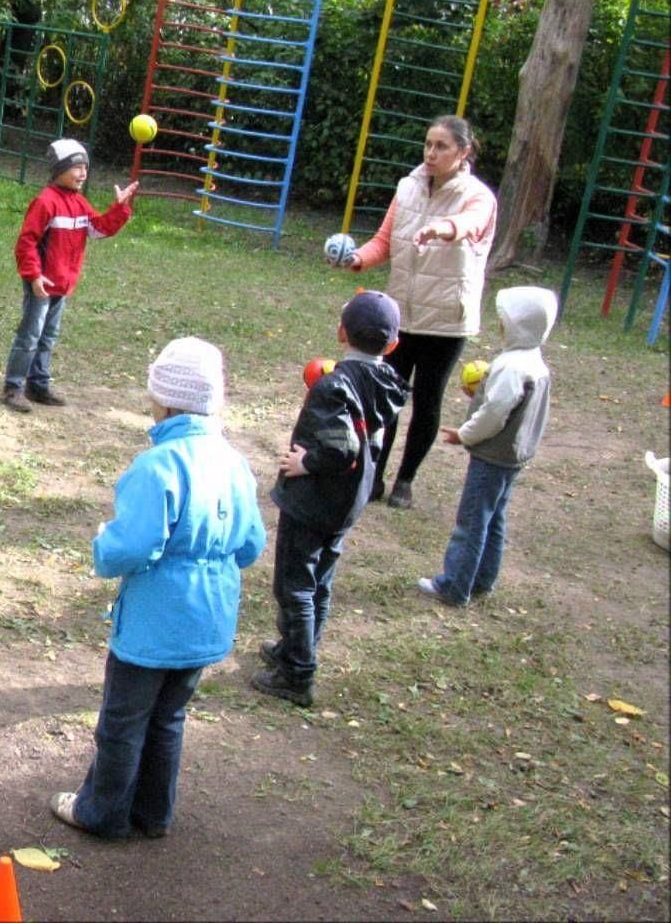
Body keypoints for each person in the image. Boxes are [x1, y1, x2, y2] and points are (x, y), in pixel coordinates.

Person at [50, 338, 265, 838]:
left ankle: (101, 812)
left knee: (122, 722)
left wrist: (103, 543)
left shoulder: (158, 466)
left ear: (164, 399)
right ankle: (153, 813)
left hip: (153, 624)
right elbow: (251, 545)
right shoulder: (235, 463)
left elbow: (130, 547)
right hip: (208, 618)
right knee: (170, 716)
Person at [253, 292, 408, 708]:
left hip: (315, 501)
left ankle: (297, 673)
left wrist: (306, 462)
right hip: (347, 502)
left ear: (341, 332)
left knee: (296, 585)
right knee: (320, 580)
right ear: (392, 345)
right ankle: (298, 648)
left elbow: (343, 448)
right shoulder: (389, 382)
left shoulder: (334, 386)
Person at [346, 115, 496, 510]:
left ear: (463, 152)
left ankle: (405, 480)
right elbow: (384, 241)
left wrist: (443, 229)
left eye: (441, 146)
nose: (431, 153)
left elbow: (471, 224)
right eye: (428, 144)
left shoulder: (478, 196)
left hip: (447, 319)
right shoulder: (407, 188)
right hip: (400, 315)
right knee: (386, 398)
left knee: (427, 401)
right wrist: (357, 258)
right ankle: (374, 477)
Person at [417, 287, 557, 607]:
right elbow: (506, 405)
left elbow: (494, 415)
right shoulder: (535, 361)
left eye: (504, 320)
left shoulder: (511, 366)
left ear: (518, 325)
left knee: (473, 519)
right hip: (513, 457)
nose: (500, 326)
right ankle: (484, 578)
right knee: (495, 517)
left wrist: (464, 434)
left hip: (493, 456)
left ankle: (454, 585)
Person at [2, 138, 137, 413]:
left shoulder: (79, 203)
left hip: (62, 284)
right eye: (76, 167)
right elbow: (26, 242)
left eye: (85, 167)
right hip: (42, 283)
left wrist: (120, 208)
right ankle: (13, 387)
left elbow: (98, 229)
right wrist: (34, 275)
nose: (83, 173)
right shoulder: (45, 202)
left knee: (48, 335)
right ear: (59, 169)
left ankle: (37, 384)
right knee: (30, 335)